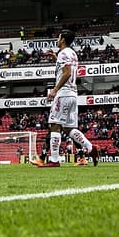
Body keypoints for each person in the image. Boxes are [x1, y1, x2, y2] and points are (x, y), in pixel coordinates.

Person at [33, 30, 98, 168]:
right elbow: (68, 68)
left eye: (58, 37)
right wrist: (55, 57)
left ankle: (54, 160)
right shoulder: (72, 53)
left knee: (54, 125)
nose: (57, 39)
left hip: (64, 93)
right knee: (69, 128)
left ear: (62, 39)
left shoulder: (63, 53)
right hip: (73, 94)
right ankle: (91, 149)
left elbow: (67, 73)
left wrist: (55, 89)